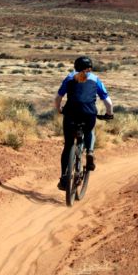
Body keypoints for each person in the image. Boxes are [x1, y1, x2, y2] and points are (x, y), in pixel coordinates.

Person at [55, 55, 113, 190]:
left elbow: (58, 98)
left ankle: (64, 178)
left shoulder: (70, 77)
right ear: (90, 68)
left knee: (68, 145)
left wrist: (59, 109)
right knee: (89, 131)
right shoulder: (95, 79)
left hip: (70, 113)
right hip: (89, 113)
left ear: (75, 67)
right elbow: (108, 102)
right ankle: (90, 152)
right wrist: (109, 114)